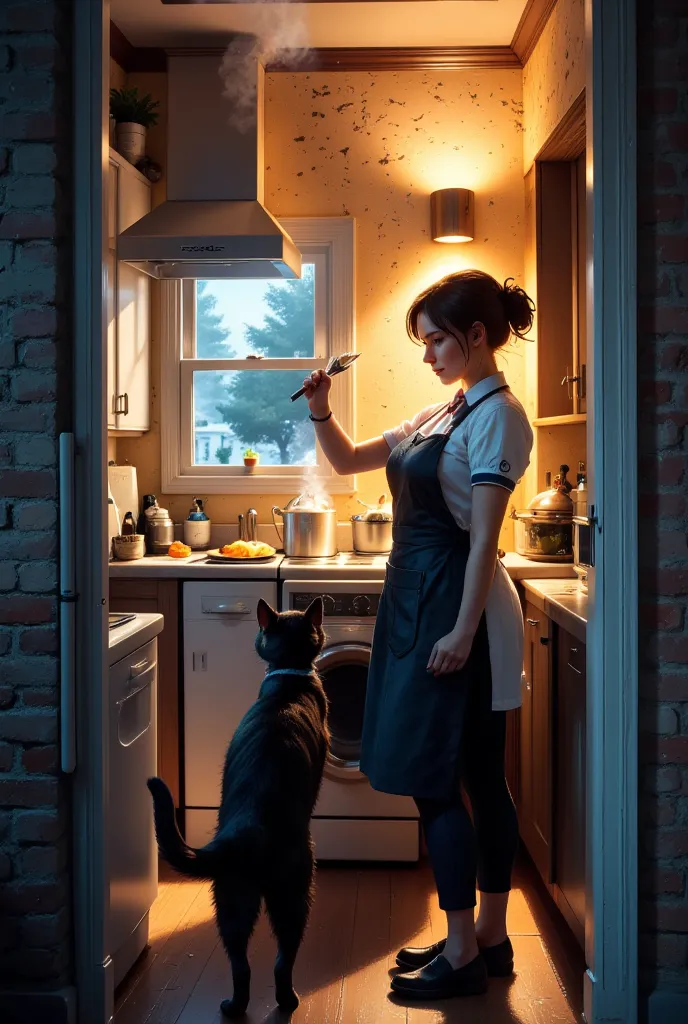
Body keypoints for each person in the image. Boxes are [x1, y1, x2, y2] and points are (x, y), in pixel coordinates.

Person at [302, 269, 535, 1002]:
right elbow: (347, 460)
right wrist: (320, 409)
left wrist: (463, 632)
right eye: (424, 341)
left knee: (444, 785)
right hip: (420, 605)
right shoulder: (445, 412)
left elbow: (484, 544)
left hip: (461, 615)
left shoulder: (501, 419)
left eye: (436, 340)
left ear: (474, 336)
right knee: (470, 781)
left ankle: (465, 948)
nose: (428, 354)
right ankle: (485, 938)